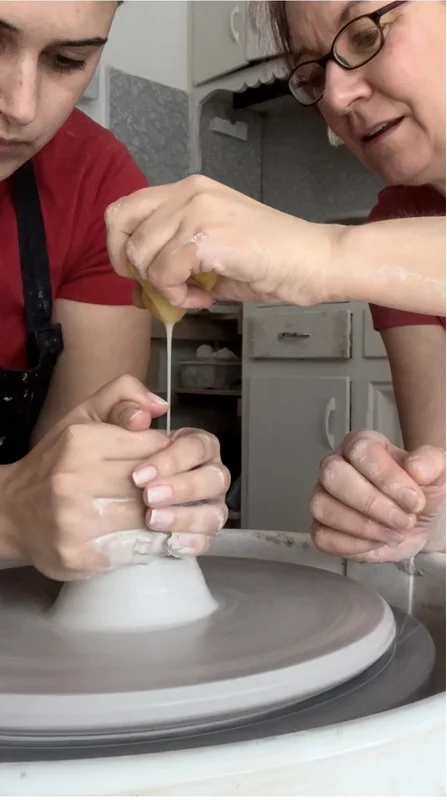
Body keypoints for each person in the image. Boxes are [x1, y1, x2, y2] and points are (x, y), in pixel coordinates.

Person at [105, 1, 445, 562]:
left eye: (363, 37)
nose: (335, 98)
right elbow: (440, 478)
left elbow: (333, 257)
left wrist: (325, 253)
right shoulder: (395, 224)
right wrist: (409, 514)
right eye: (314, 74)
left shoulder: (364, 249)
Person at [0, 1, 229, 581]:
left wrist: (131, 487)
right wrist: (6, 514)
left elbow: (69, 488)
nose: (20, 107)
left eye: (67, 60)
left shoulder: (95, 180)